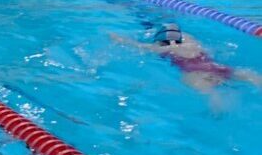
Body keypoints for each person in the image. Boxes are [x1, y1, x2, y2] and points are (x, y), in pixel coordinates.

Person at [111, 24, 262, 106]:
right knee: (246, 75)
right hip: (215, 66)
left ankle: (217, 101)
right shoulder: (193, 42)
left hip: (194, 73)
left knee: (209, 92)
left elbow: (136, 46)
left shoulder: (162, 48)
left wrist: (118, 38)